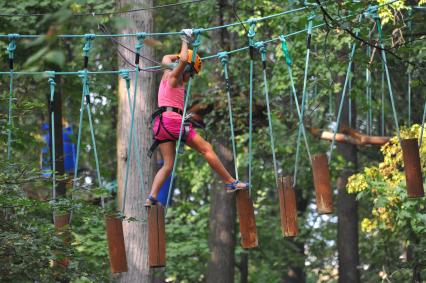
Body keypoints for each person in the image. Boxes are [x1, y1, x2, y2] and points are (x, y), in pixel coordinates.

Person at [145, 29, 248, 206]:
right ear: (185, 69)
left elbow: (168, 58)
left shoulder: (165, 74)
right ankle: (231, 182)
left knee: (168, 164)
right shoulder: (175, 78)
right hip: (172, 122)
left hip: (160, 125)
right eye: (191, 73)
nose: (190, 78)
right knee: (206, 148)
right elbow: (184, 60)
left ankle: (151, 197)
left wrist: (178, 56)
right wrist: (185, 40)